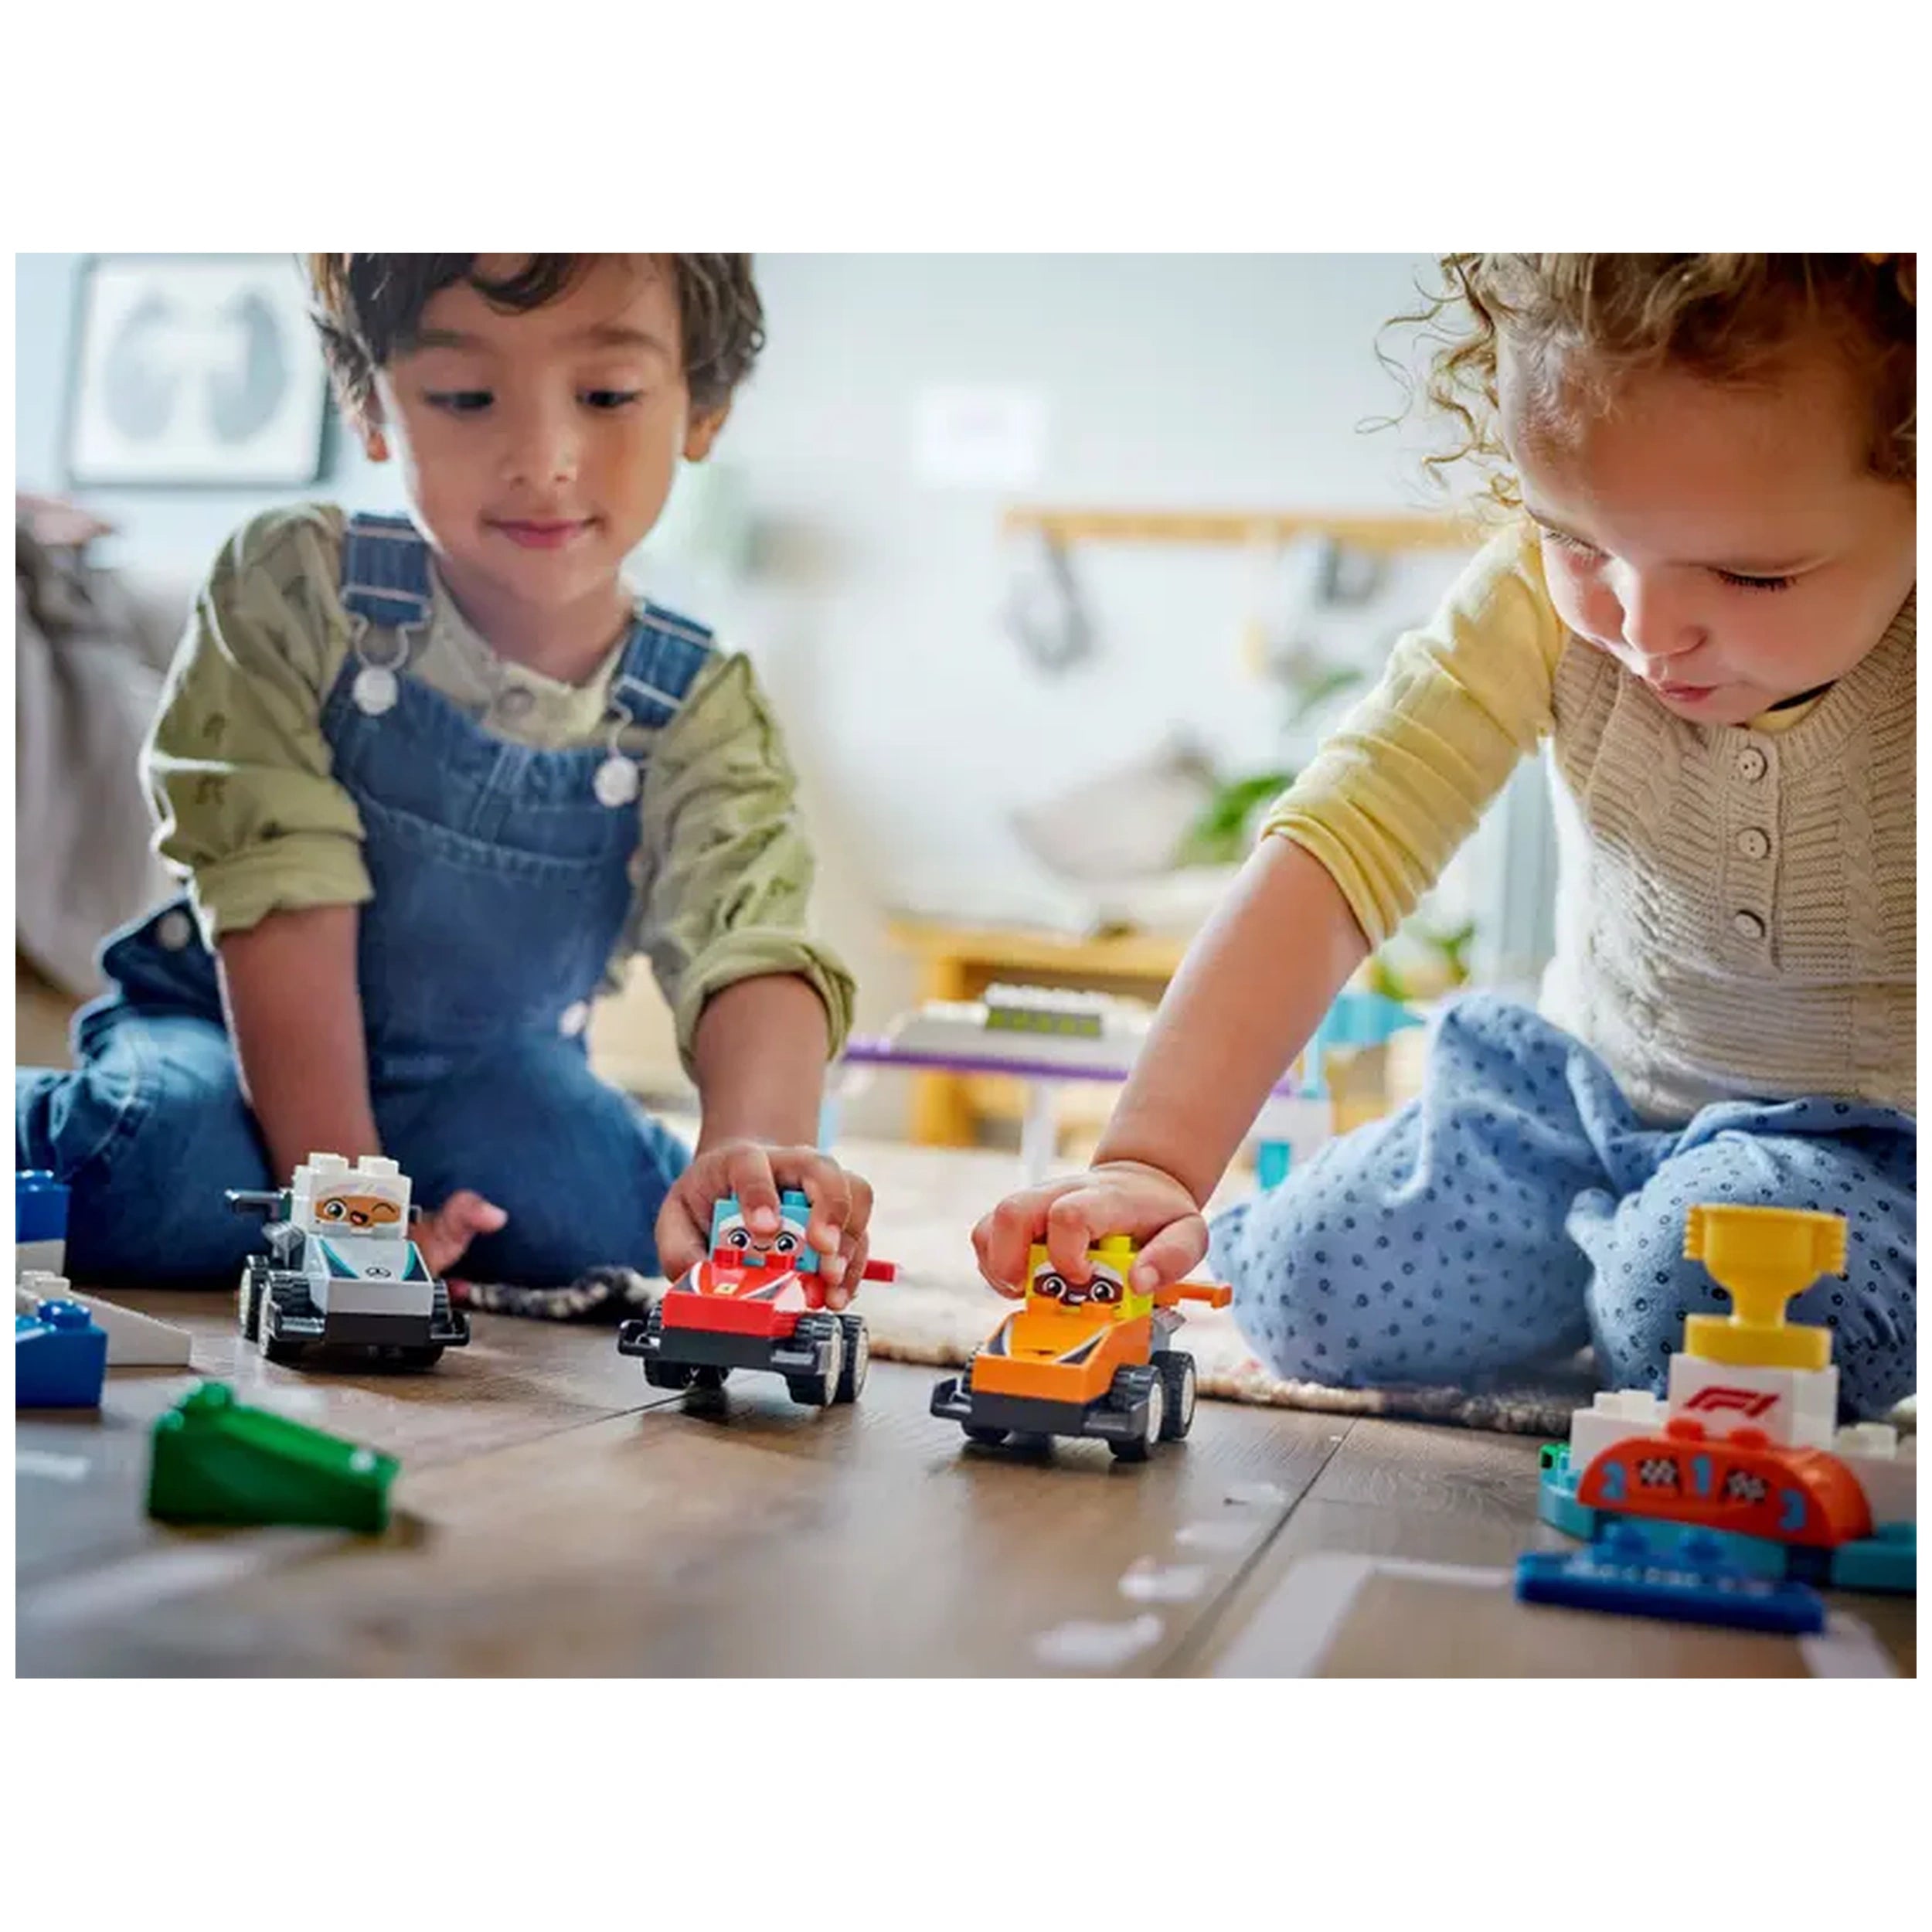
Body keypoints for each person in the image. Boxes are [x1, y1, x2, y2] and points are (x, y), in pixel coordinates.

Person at [973, 254, 1915, 1417]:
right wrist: (1149, 1163)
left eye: (1751, 575)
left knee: (1710, 1305)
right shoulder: (1530, 598)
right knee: (1292, 1287)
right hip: (1577, 1112)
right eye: (1581, 541)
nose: (1647, 626)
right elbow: (1340, 844)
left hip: (1866, 1161)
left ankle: (1631, 1290)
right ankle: (1608, 1275)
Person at [19, 253, 874, 1298]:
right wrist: (352, 1220)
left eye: (606, 395)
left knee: (614, 1221)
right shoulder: (293, 586)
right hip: (226, 1031)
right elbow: (280, 888)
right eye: (466, 398)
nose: (544, 457)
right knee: (157, 1170)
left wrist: (758, 1155)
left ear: (705, 406)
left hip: (482, 1075)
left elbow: (748, 934)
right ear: (371, 406)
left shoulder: (700, 702)